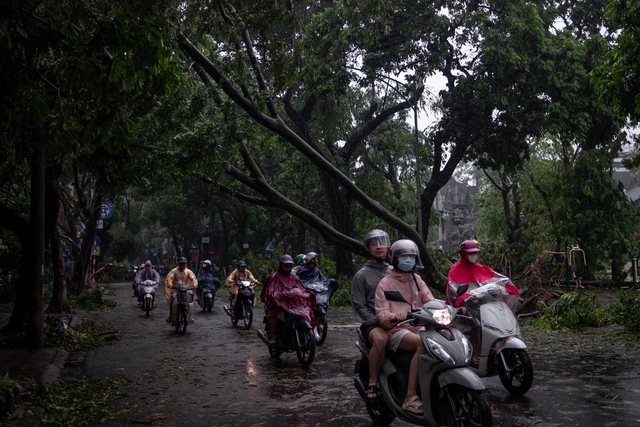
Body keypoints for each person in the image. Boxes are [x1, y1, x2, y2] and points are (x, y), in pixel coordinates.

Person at [375, 239, 434, 415]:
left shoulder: (417, 279)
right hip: (397, 329)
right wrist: (395, 316)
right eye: (404, 256)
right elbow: (382, 313)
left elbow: (429, 300)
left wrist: (447, 308)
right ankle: (409, 396)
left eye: (411, 256)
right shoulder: (385, 283)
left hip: (419, 325)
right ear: (394, 259)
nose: (408, 259)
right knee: (423, 345)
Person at [350, 229, 392, 409]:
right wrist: (378, 321)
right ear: (367, 248)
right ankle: (373, 382)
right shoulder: (362, 275)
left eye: (381, 242)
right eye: (373, 244)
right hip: (373, 323)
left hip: (397, 320)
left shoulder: (395, 271)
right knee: (381, 339)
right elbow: (359, 306)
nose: (378, 247)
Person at [260, 254, 316, 344]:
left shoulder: (294, 277)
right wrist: (277, 297)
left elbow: (301, 289)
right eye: (285, 266)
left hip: (292, 305)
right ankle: (273, 337)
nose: (287, 268)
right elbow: (269, 292)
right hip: (278, 305)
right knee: (272, 314)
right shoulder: (274, 277)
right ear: (281, 265)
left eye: (289, 266)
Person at [446, 239, 519, 308]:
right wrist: (466, 296)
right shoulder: (456, 269)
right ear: (463, 253)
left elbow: (494, 277)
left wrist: (507, 286)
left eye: (475, 253)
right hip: (465, 303)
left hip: (481, 300)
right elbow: (452, 287)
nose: (473, 255)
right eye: (470, 253)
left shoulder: (479, 267)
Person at [295, 252, 339, 341]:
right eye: (316, 259)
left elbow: (323, 280)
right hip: (306, 296)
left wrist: (328, 284)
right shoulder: (302, 271)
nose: (317, 260)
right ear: (311, 260)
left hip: (316, 294)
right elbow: (300, 281)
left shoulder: (316, 271)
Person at [165, 257, 198, 323]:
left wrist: (194, 284)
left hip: (186, 290)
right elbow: (169, 278)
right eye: (181, 264)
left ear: (186, 264)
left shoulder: (188, 271)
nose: (183, 266)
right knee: (172, 298)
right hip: (176, 290)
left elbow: (193, 278)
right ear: (179, 264)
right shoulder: (174, 271)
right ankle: (171, 315)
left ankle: (189, 315)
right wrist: (170, 284)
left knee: (189, 300)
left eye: (184, 264)